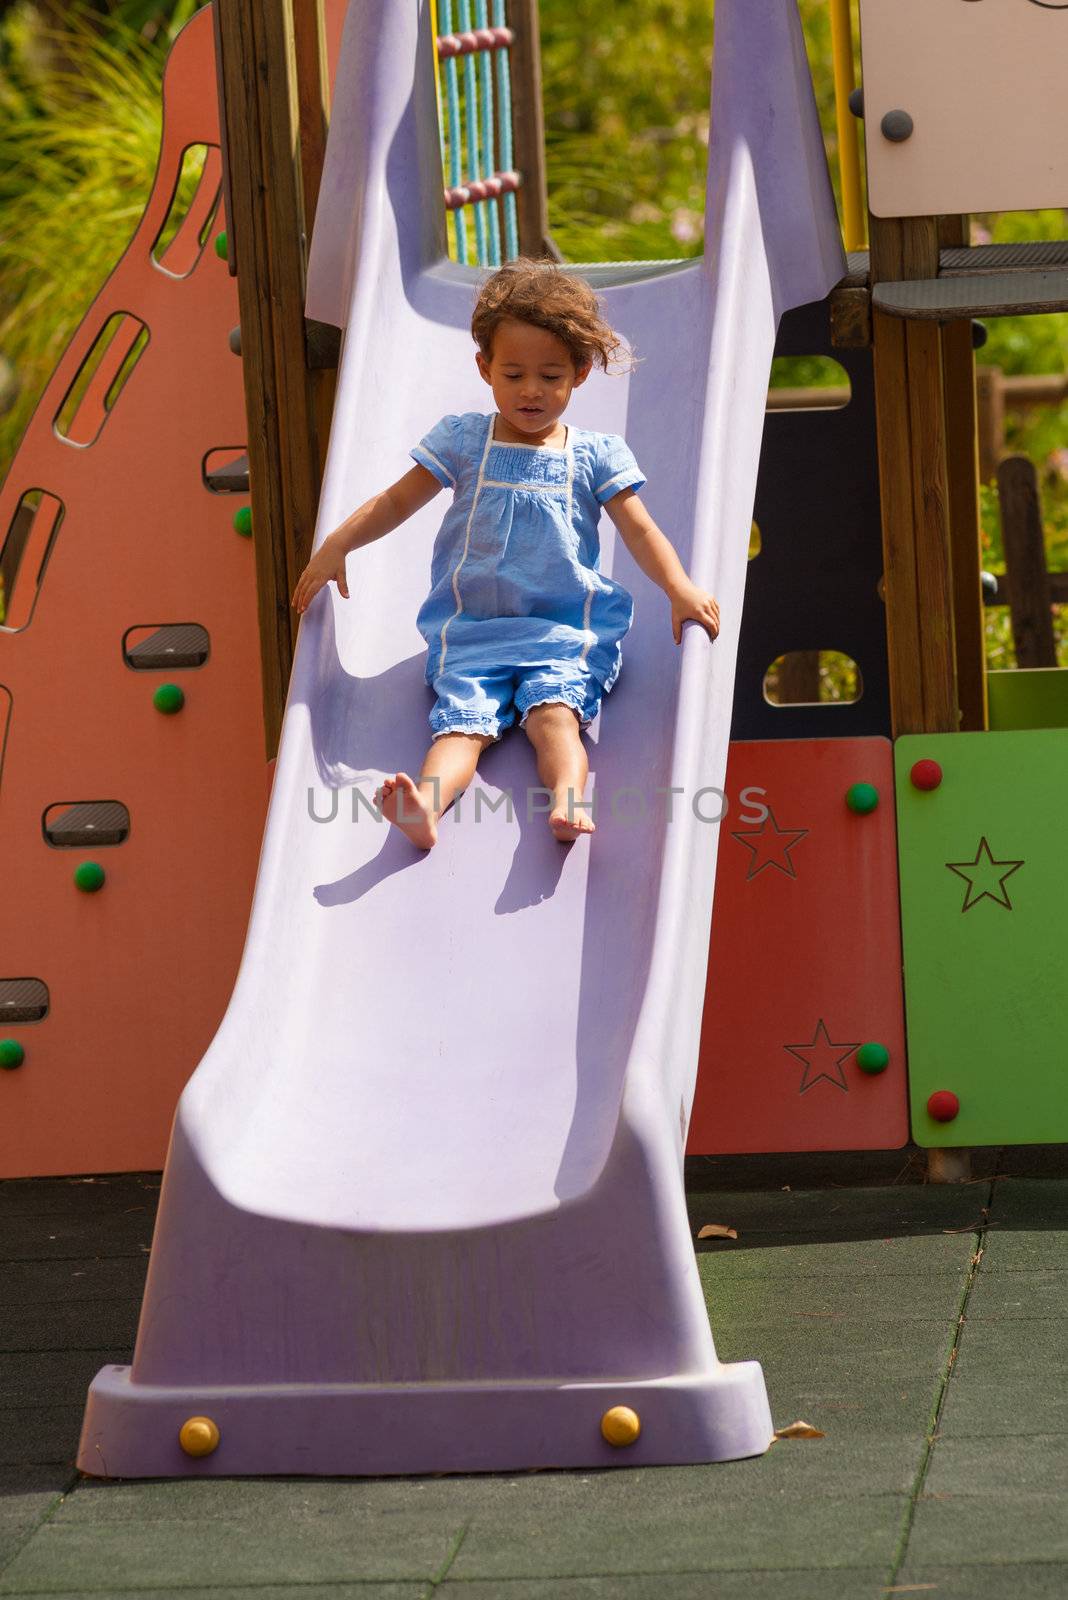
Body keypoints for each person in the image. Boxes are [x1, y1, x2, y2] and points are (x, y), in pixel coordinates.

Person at [291, 258, 719, 848]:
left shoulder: (596, 454)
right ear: (484, 368)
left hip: (561, 630)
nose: (531, 391)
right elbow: (396, 502)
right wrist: (339, 543)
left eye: (550, 376)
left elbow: (640, 531)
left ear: (581, 374)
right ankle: (426, 807)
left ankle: (568, 803)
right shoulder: (465, 441)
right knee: (461, 729)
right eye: (513, 373)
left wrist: (679, 587)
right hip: (474, 630)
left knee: (554, 719)